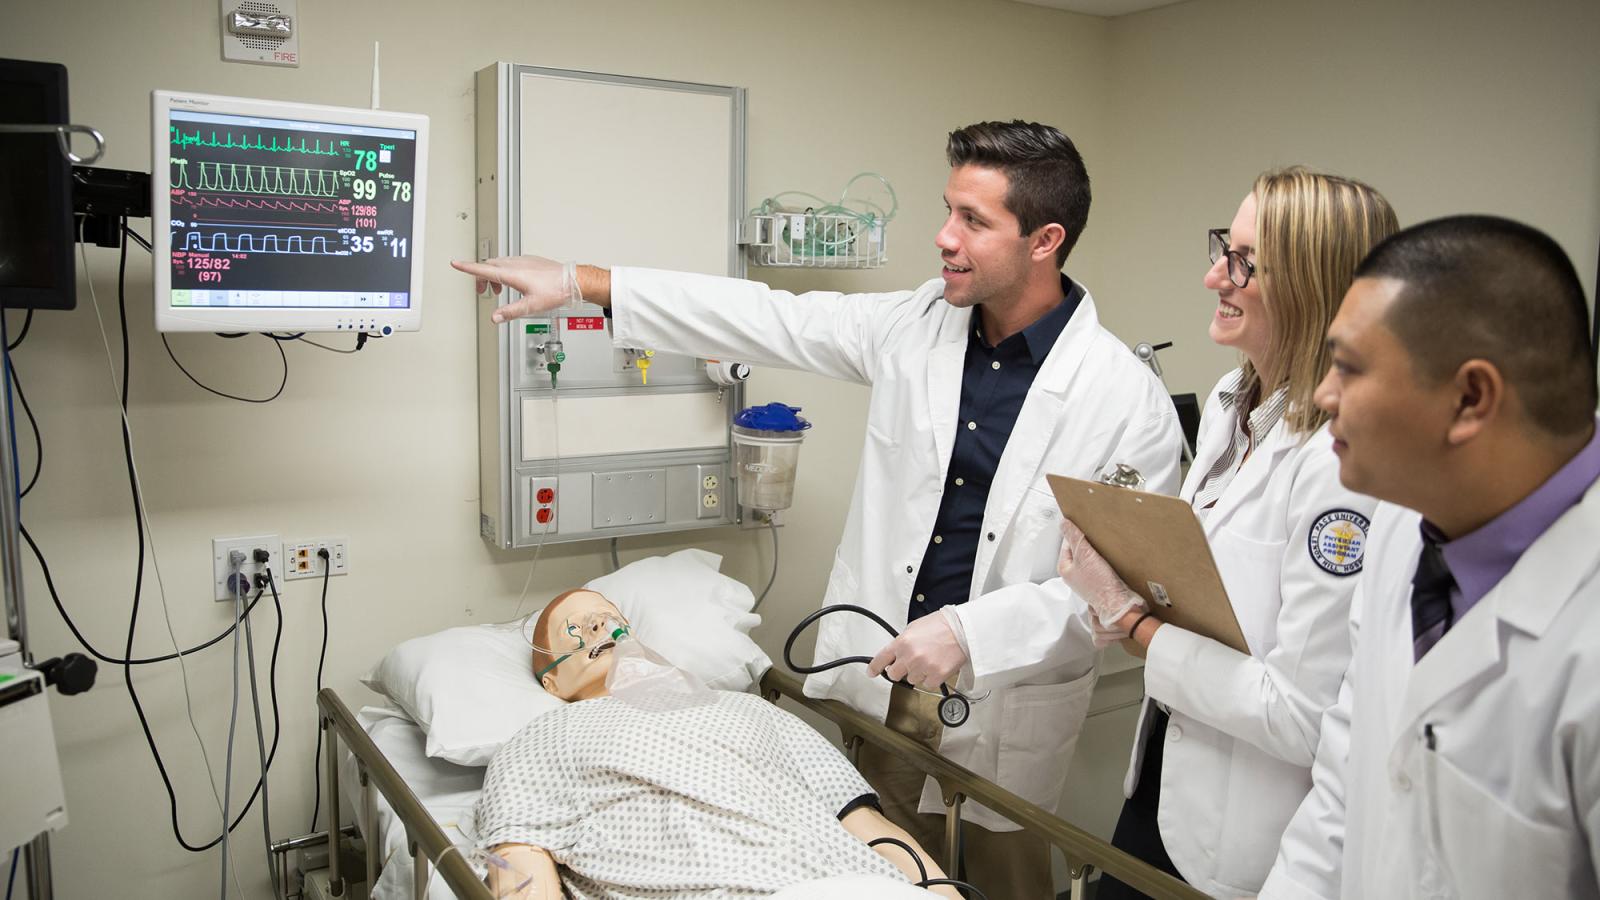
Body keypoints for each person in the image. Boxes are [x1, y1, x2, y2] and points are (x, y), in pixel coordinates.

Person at [455, 120, 1184, 897]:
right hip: (891, 684)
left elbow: (1111, 598)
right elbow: (766, 314)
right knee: (875, 868)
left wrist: (972, 631)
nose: (943, 237)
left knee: (1008, 881)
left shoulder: (1122, 401)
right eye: (948, 210)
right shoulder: (915, 325)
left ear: (1045, 240)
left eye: (973, 221)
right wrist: (580, 281)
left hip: (1011, 699)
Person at [1056, 168, 1397, 897]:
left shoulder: (1340, 463)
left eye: (1245, 261)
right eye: (1223, 247)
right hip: (1162, 781)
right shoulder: (1229, 401)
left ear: (1313, 283)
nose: (1216, 274)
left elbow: (1299, 715)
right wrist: (1123, 565)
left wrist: (1136, 623)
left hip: (1246, 834)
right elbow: (1212, 588)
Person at [1258, 215, 1600, 899]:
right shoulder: (1402, 525)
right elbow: (1343, 789)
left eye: (1348, 368)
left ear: (1470, 398)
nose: (1323, 396)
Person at [477, 588, 960, 900]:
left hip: (855, 887)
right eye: (575, 632)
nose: (599, 628)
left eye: (607, 617)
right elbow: (521, 865)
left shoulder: (747, 707)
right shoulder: (543, 738)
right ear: (553, 683)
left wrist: (939, 894)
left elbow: (862, 822)